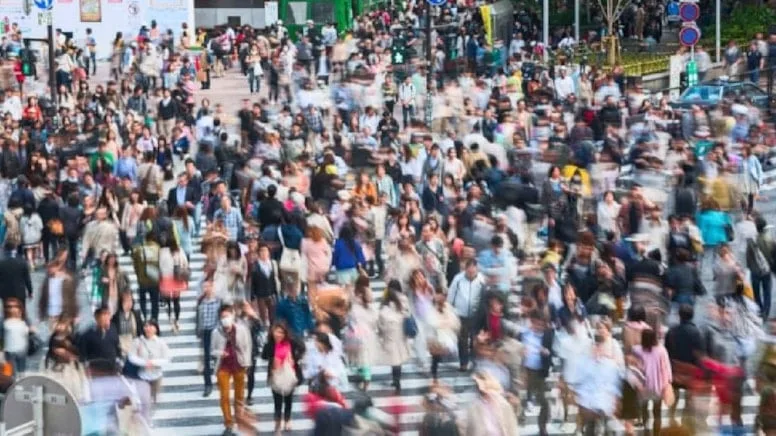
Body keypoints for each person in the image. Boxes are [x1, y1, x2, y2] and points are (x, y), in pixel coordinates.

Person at [211, 304, 253, 436]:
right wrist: (220, 352)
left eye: (227, 316)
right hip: (223, 366)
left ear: (233, 315)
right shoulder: (216, 332)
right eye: (223, 317)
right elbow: (212, 350)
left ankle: (239, 418)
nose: (225, 319)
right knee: (224, 396)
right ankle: (228, 423)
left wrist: (247, 362)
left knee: (239, 395)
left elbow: (248, 346)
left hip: (239, 364)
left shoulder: (241, 330)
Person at [261, 322, 305, 434]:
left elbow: (302, 348)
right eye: (276, 332)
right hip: (275, 375)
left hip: (289, 375)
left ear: (285, 333)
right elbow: (264, 356)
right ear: (272, 332)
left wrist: (295, 358)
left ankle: (287, 419)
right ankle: (277, 425)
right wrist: (273, 360)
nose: (278, 335)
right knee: (277, 402)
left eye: (281, 332)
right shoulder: (270, 345)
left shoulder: (291, 343)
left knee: (288, 399)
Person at [127, 320, 169, 408]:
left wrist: (153, 362)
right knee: (144, 401)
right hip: (142, 376)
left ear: (156, 329)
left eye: (151, 326)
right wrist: (144, 363)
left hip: (156, 376)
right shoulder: (138, 341)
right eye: (146, 326)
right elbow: (131, 356)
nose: (148, 328)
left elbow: (167, 358)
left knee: (155, 401)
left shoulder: (161, 342)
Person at [378, 285, 411, 392]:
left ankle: (396, 380)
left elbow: (381, 326)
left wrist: (381, 335)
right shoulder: (400, 308)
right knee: (398, 361)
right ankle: (397, 379)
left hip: (389, 339)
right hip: (400, 339)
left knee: (394, 361)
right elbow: (407, 317)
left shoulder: (384, 311)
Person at [159, 238, 189, 333]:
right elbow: (185, 263)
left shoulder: (162, 252)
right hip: (177, 278)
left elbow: (160, 265)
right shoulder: (179, 250)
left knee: (168, 303)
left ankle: (170, 320)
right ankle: (177, 320)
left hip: (166, 278)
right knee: (176, 301)